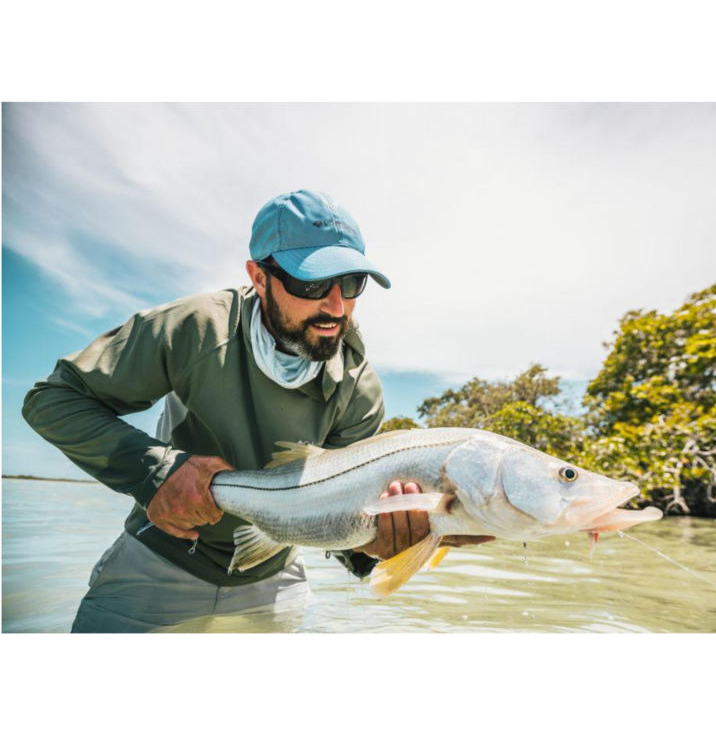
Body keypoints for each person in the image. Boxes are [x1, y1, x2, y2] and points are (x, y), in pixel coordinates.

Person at [22, 189, 490, 632]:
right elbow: (53, 399)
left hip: (273, 577)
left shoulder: (360, 386)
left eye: (351, 283)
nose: (336, 305)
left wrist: (379, 545)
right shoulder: (195, 328)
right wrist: (157, 472)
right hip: (160, 557)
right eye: (311, 281)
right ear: (259, 277)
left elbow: (346, 525)